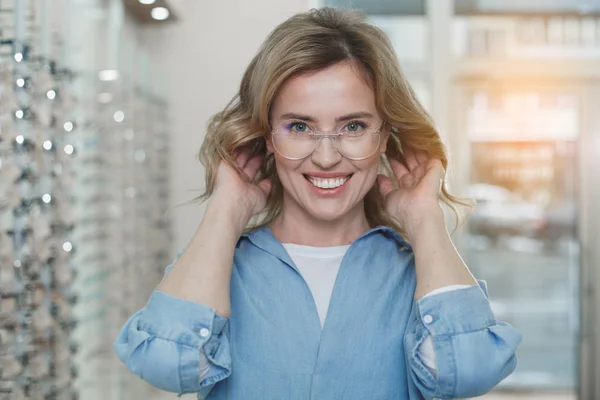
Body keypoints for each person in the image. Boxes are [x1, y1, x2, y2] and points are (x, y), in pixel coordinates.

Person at [114, 7, 521, 400]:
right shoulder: (217, 268)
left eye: (354, 126)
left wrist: (423, 217)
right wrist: (227, 207)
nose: (326, 157)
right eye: (299, 126)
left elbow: (468, 371)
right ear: (268, 138)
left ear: (384, 136)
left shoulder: (421, 275)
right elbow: (168, 364)